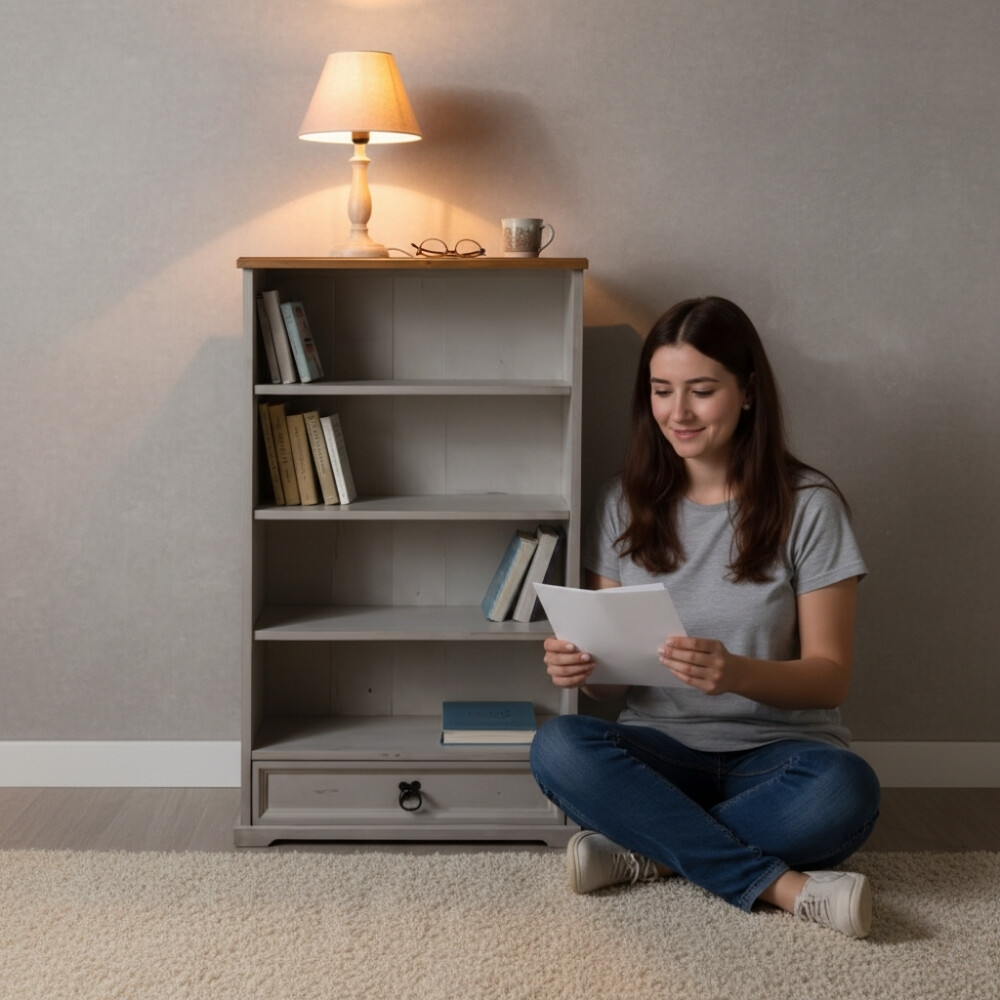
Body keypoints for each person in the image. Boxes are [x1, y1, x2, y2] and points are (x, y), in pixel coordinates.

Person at [529, 296, 880, 938]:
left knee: (846, 790)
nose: (678, 413)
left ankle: (653, 853)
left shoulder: (811, 506)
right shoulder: (622, 503)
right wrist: (580, 666)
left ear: (747, 393)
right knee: (557, 746)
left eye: (701, 391)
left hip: (780, 759)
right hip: (661, 752)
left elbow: (831, 678)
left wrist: (737, 673)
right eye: (662, 391)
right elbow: (611, 688)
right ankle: (783, 885)